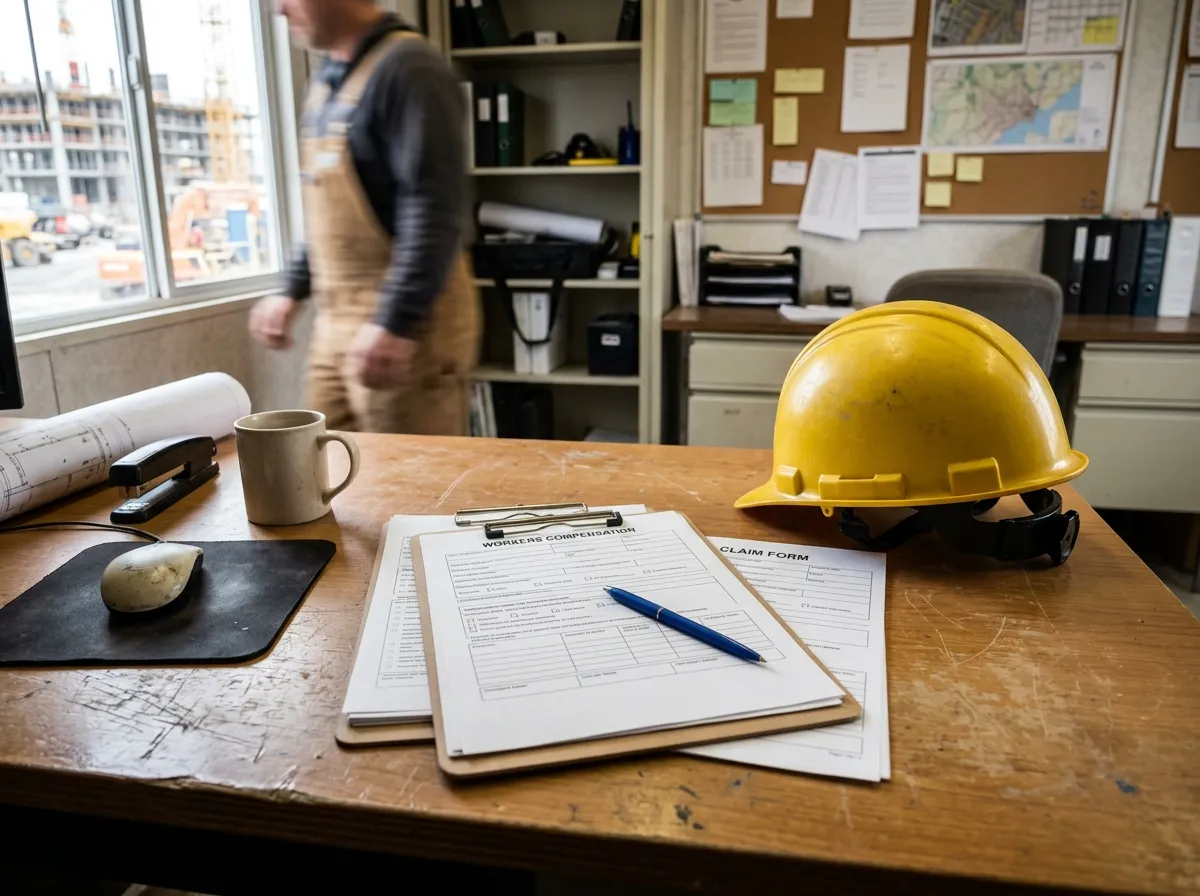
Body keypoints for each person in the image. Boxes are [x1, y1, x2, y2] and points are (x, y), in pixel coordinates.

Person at [251, 0, 480, 434]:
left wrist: (396, 322)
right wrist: (290, 290)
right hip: (335, 326)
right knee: (322, 470)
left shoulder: (411, 68)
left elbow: (435, 208)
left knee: (413, 487)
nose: (279, 10)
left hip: (410, 329)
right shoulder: (325, 84)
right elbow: (325, 217)